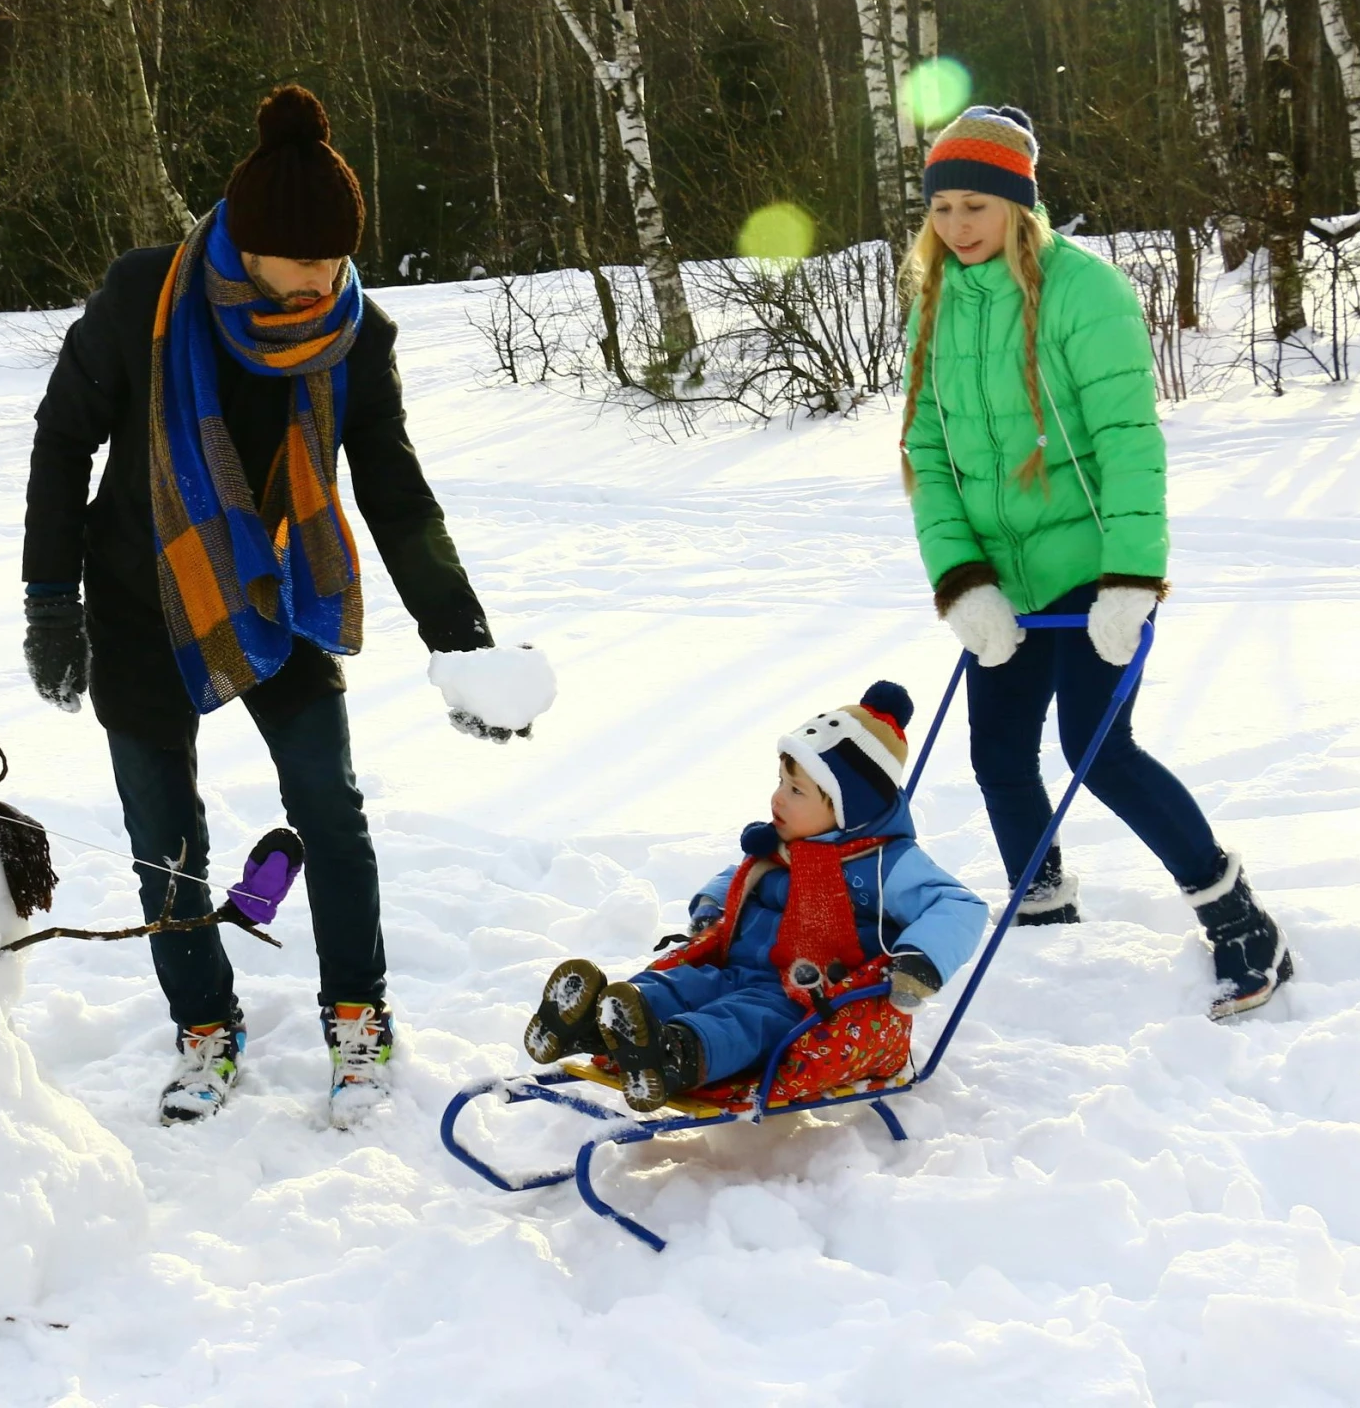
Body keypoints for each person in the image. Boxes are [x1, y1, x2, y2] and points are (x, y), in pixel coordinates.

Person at [21, 85, 543, 1128]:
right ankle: (204, 1027)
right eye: (301, 259)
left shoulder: (355, 334)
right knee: (162, 837)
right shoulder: (143, 299)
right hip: (137, 595)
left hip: (279, 594)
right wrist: (51, 598)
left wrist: (462, 640)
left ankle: (359, 1013)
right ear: (247, 245)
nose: (322, 279)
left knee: (331, 813)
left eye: (337, 259)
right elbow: (61, 439)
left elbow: (394, 489)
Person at [898, 105, 1293, 1019]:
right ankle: (1040, 908)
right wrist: (961, 582)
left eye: (976, 206)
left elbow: (1128, 445)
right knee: (996, 751)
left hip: (1090, 567)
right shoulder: (934, 299)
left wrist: (1129, 579)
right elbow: (925, 449)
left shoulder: (1086, 293)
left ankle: (1238, 920)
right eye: (943, 207)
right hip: (1003, 580)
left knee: (1093, 747)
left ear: (1018, 206)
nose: (957, 226)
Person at [523, 683, 986, 1113]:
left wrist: (919, 959)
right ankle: (595, 1022)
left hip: (804, 995)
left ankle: (676, 1055)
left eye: (796, 790)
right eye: (782, 782)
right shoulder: (785, 845)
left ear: (848, 810)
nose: (778, 799)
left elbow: (959, 905)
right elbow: (741, 875)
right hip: (737, 967)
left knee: (747, 1021)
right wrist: (712, 903)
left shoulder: (887, 863)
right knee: (683, 986)